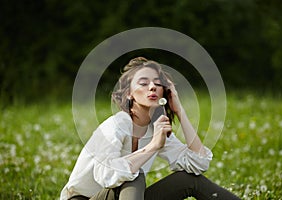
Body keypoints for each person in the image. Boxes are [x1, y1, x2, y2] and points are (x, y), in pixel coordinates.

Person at [60, 57, 240, 200]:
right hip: (85, 199)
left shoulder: (156, 129)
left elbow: (199, 164)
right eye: (143, 83)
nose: (152, 86)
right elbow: (106, 175)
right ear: (129, 93)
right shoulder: (114, 126)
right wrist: (152, 147)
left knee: (190, 179)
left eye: (157, 83)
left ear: (165, 92)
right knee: (135, 175)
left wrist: (179, 111)